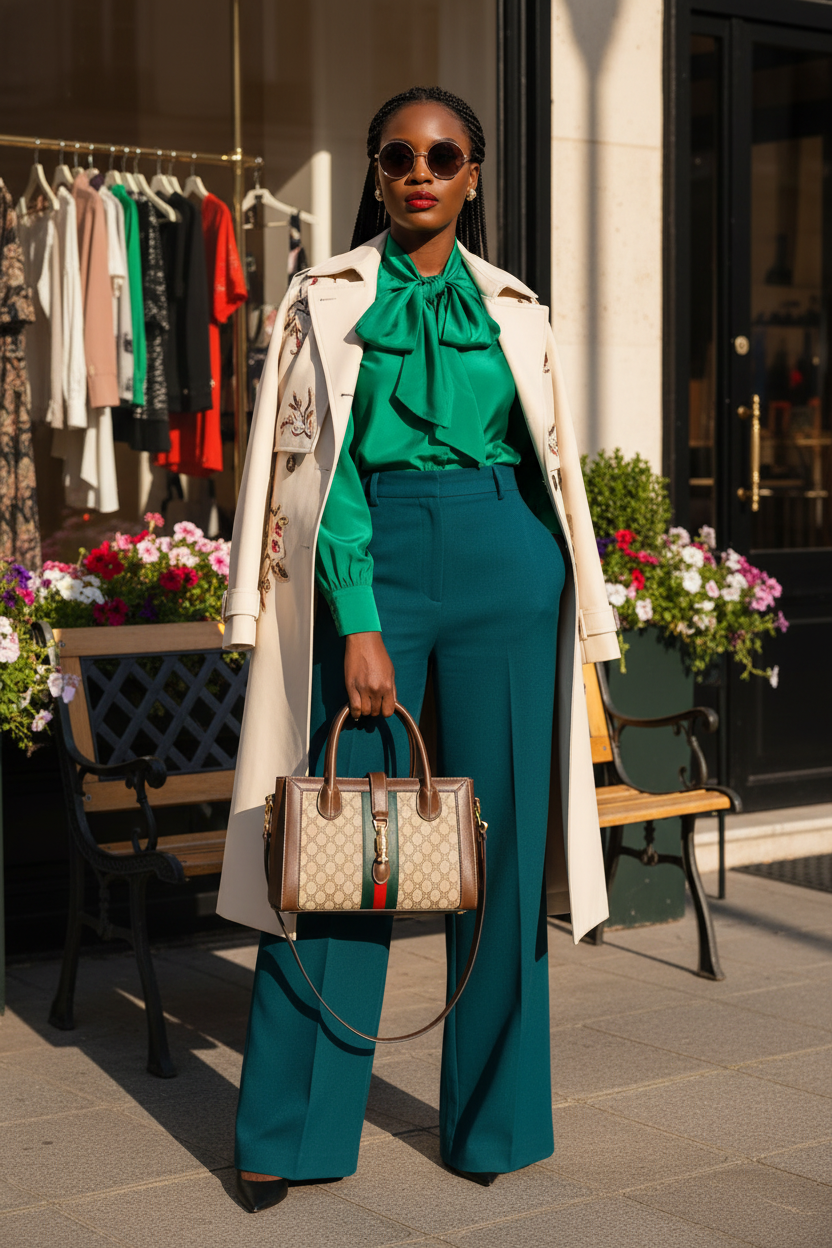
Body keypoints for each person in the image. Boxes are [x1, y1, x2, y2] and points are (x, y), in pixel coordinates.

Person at [217, 85, 619, 1214]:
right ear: (377, 172)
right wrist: (356, 617)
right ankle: (290, 1131)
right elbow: (317, 468)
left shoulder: (516, 306)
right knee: (344, 842)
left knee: (492, 864)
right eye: (397, 156)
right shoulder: (324, 296)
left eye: (443, 156)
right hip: (376, 560)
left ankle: (495, 1117)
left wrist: (562, 586)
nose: (420, 173)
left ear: (473, 175)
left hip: (506, 563)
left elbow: (546, 459)